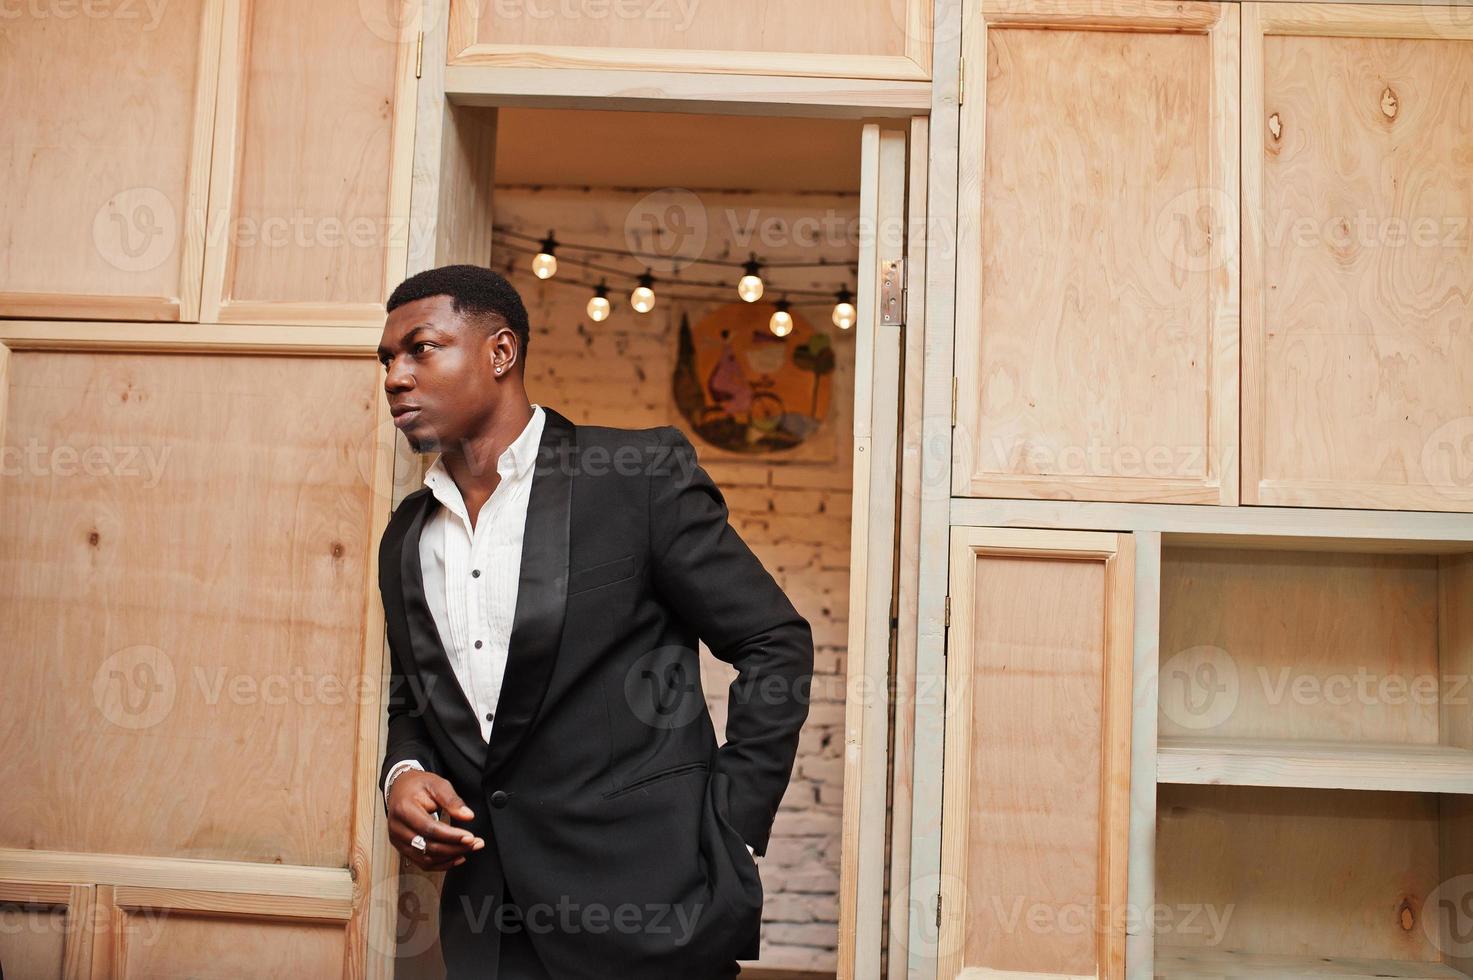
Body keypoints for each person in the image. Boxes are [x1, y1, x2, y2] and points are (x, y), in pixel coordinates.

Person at [374, 265, 814, 979]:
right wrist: (403, 772)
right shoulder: (406, 535)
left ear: (500, 352)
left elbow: (773, 642)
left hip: (653, 912)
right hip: (489, 925)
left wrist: (729, 825)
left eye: (420, 348)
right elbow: (413, 700)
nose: (395, 376)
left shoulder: (634, 477)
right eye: (387, 360)